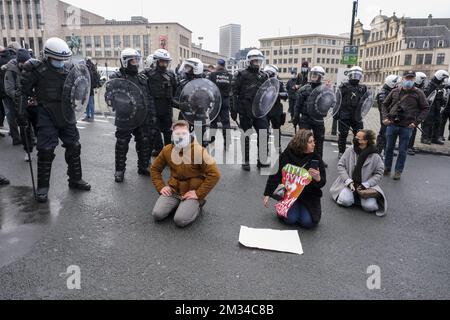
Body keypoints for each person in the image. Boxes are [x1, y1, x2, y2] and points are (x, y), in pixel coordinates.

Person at [20, 37, 91, 203]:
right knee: (45, 150)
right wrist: (21, 113)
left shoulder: (69, 68)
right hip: (46, 113)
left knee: (74, 146)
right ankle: (43, 187)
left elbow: (79, 88)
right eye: (57, 59)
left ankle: (75, 179)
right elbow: (22, 92)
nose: (61, 62)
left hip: (66, 113)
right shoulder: (36, 69)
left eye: (63, 59)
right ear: (48, 56)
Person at [150, 120, 221, 228]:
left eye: (184, 133)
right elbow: (155, 169)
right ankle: (178, 205)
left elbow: (215, 174)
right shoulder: (167, 150)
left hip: (191, 192)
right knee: (157, 215)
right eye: (178, 134)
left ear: (188, 134)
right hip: (174, 190)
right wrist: (161, 187)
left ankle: (197, 205)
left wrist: (198, 194)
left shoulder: (199, 151)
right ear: (173, 135)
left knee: (180, 220)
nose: (181, 136)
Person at [107, 48, 157, 183]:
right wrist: (122, 103)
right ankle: (119, 170)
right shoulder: (116, 77)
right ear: (125, 61)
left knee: (144, 141)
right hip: (125, 116)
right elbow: (109, 97)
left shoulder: (142, 78)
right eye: (133, 60)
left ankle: (143, 166)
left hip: (141, 115)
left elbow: (148, 97)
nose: (136, 63)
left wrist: (152, 114)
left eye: (137, 60)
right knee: (122, 143)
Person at [263, 129, 326, 229]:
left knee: (308, 223)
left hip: (308, 196)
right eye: (310, 142)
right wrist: (267, 194)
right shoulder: (287, 154)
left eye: (313, 141)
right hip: (290, 194)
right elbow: (276, 174)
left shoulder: (316, 158)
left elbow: (322, 182)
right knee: (290, 220)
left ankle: (299, 209)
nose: (313, 144)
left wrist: (318, 178)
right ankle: (288, 207)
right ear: (302, 143)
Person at [382, 71, 430, 180]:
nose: (409, 81)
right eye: (407, 78)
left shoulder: (419, 93)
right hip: (392, 124)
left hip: (407, 126)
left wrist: (416, 122)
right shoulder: (395, 91)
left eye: (411, 79)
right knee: (389, 148)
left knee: (402, 151)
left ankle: (398, 171)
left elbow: (425, 108)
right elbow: (384, 104)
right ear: (403, 79)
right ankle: (387, 167)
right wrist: (385, 118)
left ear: (414, 80)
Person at [330, 129, 387, 216]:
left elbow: (379, 173)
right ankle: (354, 197)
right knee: (345, 201)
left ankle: (359, 198)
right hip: (349, 183)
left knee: (370, 207)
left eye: (358, 138)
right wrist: (347, 180)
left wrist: (367, 184)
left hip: (365, 186)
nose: (355, 139)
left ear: (365, 141)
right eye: (355, 136)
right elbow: (341, 165)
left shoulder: (375, 156)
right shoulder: (350, 150)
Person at [231, 49, 270, 171]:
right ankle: (246, 161)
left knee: (264, 134)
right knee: (246, 136)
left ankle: (262, 160)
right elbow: (234, 93)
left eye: (259, 60)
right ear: (249, 61)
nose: (257, 63)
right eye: (254, 60)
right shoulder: (241, 74)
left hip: (259, 110)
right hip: (245, 110)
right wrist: (234, 110)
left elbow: (268, 93)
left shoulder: (264, 75)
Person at [4, 48, 37, 162]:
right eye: (24, 63)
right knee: (24, 127)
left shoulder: (31, 66)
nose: (26, 65)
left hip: (32, 100)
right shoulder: (11, 70)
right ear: (19, 61)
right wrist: (20, 97)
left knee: (37, 124)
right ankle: (27, 150)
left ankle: (34, 141)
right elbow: (9, 89)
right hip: (19, 101)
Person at [145, 49, 177, 156]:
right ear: (156, 61)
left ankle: (168, 152)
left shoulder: (171, 75)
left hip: (167, 108)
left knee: (168, 131)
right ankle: (158, 149)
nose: (164, 64)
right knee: (154, 131)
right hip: (153, 108)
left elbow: (176, 90)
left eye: (166, 62)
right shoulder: (148, 74)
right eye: (162, 61)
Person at [294, 66, 328, 164]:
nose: (313, 77)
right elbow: (298, 105)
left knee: (319, 140)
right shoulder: (304, 89)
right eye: (312, 75)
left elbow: (328, 104)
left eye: (316, 75)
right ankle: (302, 158)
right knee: (303, 139)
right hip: (305, 118)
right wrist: (296, 118)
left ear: (320, 77)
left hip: (318, 119)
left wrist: (325, 111)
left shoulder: (324, 90)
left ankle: (318, 160)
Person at [336, 66, 368, 158]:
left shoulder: (363, 88)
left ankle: (357, 151)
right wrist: (336, 113)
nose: (355, 77)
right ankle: (341, 152)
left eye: (357, 75)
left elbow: (366, 102)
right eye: (354, 74)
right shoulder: (343, 86)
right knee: (343, 134)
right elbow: (338, 100)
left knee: (359, 135)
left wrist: (363, 113)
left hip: (357, 115)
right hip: (344, 114)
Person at [207, 59, 232, 148]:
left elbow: (209, 87)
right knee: (226, 122)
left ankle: (212, 138)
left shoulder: (213, 75)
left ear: (218, 65)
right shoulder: (229, 76)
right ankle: (227, 141)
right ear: (224, 65)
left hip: (215, 100)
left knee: (213, 121)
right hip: (225, 100)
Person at [1, 42, 22, 145]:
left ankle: (15, 137)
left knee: (10, 115)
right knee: (22, 113)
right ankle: (26, 137)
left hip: (4, 92)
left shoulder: (1, 59)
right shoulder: (17, 58)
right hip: (18, 91)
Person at [421, 70, 449, 145]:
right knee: (428, 123)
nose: (444, 81)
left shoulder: (440, 86)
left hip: (437, 107)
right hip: (430, 107)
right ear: (440, 77)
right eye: (443, 79)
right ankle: (425, 138)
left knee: (438, 122)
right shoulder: (430, 85)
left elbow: (442, 97)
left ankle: (434, 138)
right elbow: (427, 96)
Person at [264, 65, 287, 155]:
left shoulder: (279, 82)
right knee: (264, 130)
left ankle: (278, 147)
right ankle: (265, 148)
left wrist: (276, 94)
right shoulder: (262, 82)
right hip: (265, 109)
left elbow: (285, 94)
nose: (269, 75)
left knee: (277, 130)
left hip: (276, 109)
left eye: (271, 74)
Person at [376, 75, 401, 155]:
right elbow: (384, 106)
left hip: (391, 115)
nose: (398, 86)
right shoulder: (383, 93)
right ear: (391, 84)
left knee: (390, 134)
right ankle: (378, 150)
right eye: (396, 84)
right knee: (383, 132)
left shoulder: (390, 91)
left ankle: (388, 150)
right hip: (385, 116)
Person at [408, 72, 427, 155]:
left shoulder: (419, 89)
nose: (423, 82)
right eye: (422, 80)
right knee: (409, 131)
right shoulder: (412, 89)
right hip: (410, 114)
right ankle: (408, 147)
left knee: (413, 131)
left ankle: (410, 146)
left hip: (416, 113)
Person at [82, 57, 101, 122]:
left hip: (87, 88)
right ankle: (89, 116)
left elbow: (88, 78)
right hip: (90, 88)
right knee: (89, 103)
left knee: (89, 103)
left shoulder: (88, 68)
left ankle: (90, 116)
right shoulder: (92, 68)